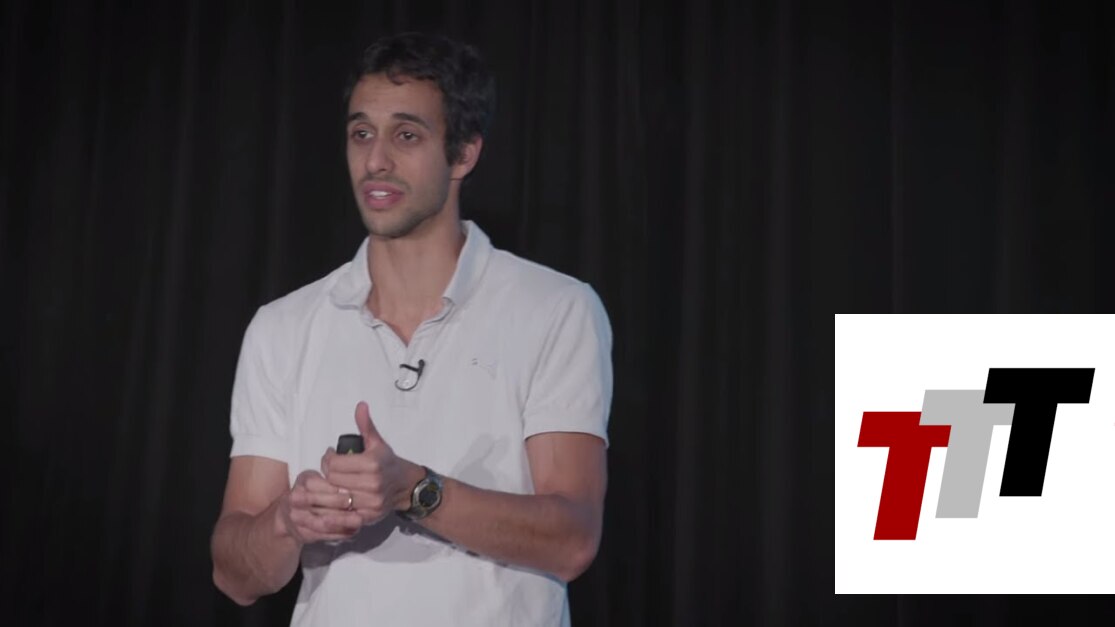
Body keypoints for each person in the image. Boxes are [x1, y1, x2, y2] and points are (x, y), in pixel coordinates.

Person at [209, 32, 613, 626]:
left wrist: (413, 490)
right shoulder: (283, 327)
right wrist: (286, 522)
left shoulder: (555, 308)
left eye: (406, 136)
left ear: (464, 153)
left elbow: (573, 539)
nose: (375, 161)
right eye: (361, 134)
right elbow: (234, 575)